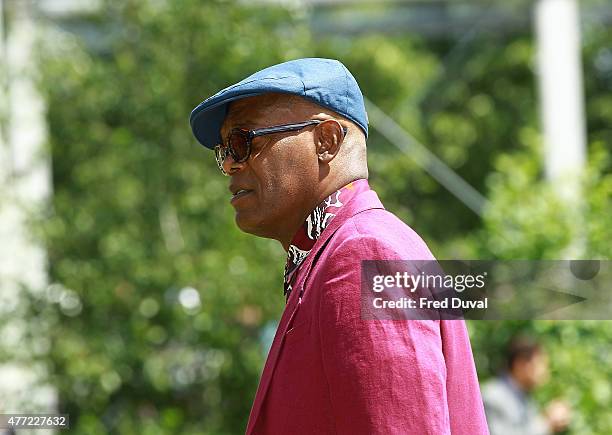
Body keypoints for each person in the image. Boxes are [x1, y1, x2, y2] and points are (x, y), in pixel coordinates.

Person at [190, 58, 488, 434]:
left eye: (242, 141)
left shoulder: (366, 253)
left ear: (326, 141)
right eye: (224, 151)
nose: (231, 164)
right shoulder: (337, 253)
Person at [482, 335, 572, 435]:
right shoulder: (493, 397)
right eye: (541, 364)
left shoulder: (524, 398)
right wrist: (546, 423)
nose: (545, 372)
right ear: (521, 364)